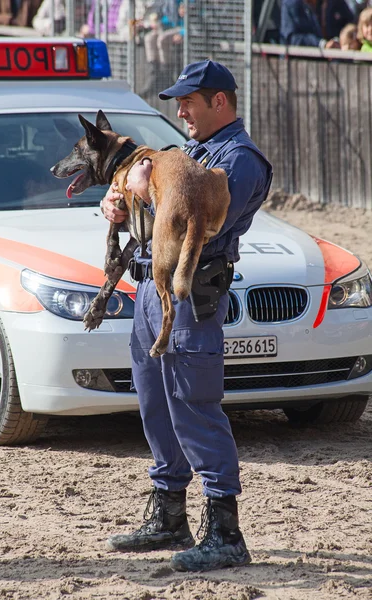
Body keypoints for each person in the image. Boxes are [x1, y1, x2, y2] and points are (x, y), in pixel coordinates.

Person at [100, 60, 273, 572]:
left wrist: (142, 193)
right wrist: (120, 204)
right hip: (154, 294)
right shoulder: (192, 152)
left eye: (188, 102)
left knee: (194, 408)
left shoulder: (241, 161)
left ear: (220, 102)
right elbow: (150, 219)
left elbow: (206, 235)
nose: (179, 111)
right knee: (155, 403)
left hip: (192, 299)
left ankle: (225, 531)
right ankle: (169, 514)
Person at [280, 0, 352, 47]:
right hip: (302, 62)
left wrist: (339, 40)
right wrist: (321, 44)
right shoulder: (291, 5)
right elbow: (290, 38)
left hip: (337, 60)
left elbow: (350, 24)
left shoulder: (334, 3)